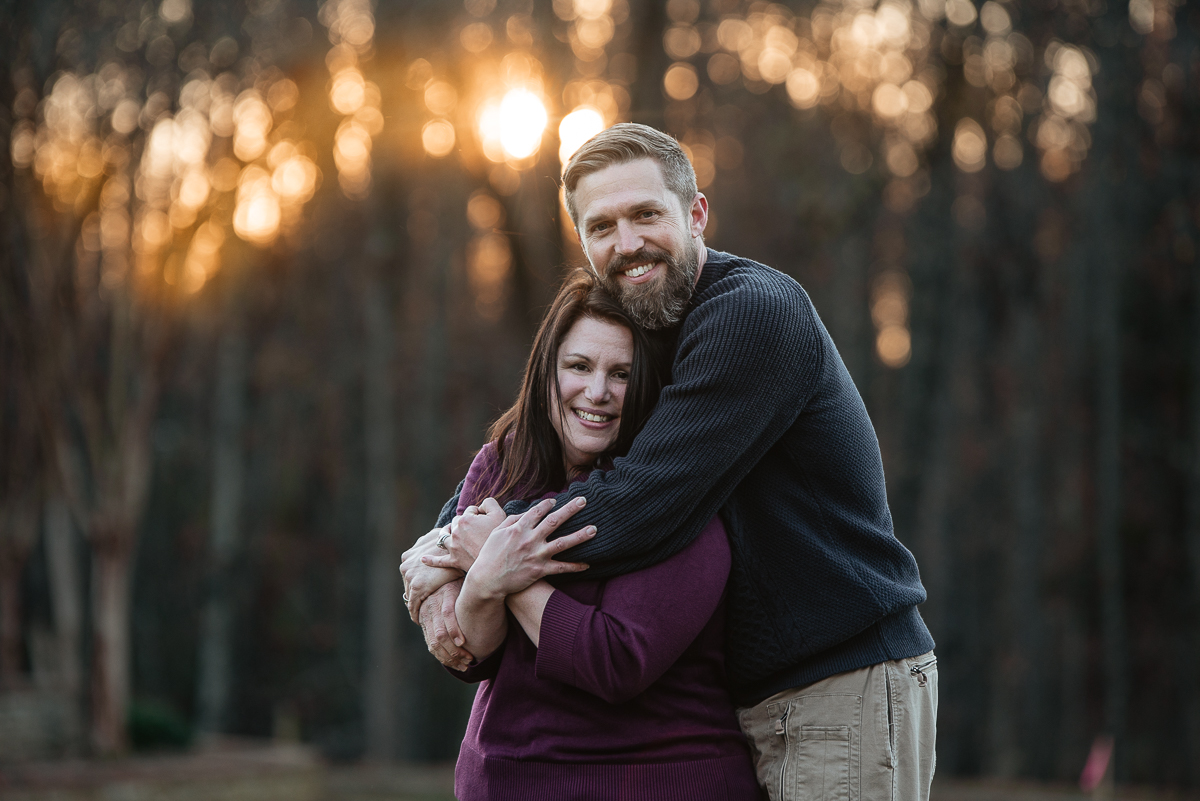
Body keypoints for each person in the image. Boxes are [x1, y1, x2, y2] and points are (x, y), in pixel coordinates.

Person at [404, 123, 938, 801]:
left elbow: (638, 504)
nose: (627, 243)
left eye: (646, 214)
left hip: (840, 680)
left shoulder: (751, 315)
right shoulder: (650, 336)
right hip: (756, 695)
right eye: (602, 227)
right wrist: (450, 545)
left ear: (697, 213)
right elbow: (509, 468)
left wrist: (466, 548)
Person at [403, 271, 763, 800]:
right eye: (578, 366)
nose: (597, 392)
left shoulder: (676, 489)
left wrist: (504, 568)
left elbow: (615, 662)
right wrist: (480, 583)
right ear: (546, 371)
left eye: (622, 373)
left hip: (648, 781)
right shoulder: (504, 464)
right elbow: (470, 654)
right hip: (501, 780)